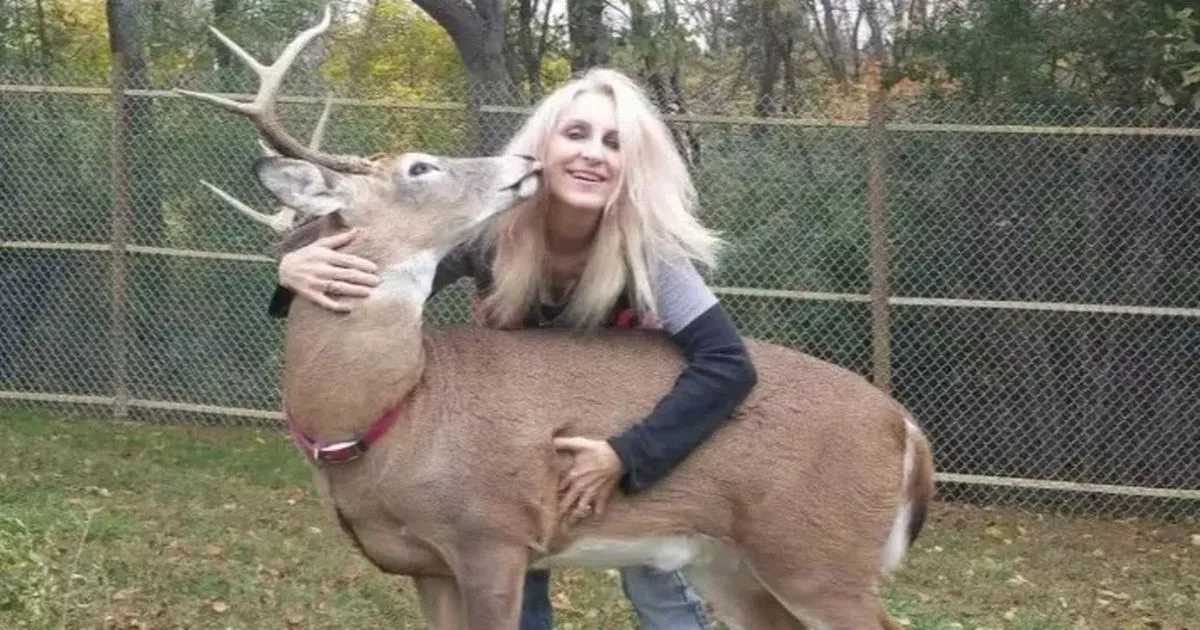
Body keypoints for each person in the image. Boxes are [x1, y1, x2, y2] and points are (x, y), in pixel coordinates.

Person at [265, 67, 757, 630]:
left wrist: (630, 454)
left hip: (623, 425)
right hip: (519, 441)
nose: (592, 152)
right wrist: (292, 275)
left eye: (614, 142)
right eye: (576, 133)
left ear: (634, 166)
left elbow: (727, 364)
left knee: (657, 582)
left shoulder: (649, 252)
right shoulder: (487, 235)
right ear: (543, 145)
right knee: (510, 579)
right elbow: (374, 279)